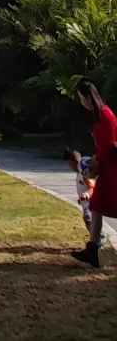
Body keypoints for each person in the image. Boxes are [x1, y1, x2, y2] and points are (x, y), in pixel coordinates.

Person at [72, 80, 117, 268]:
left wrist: (95, 159)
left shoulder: (105, 116)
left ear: (88, 96)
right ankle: (92, 250)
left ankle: (93, 250)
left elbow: (110, 144)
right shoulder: (98, 116)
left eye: (81, 97)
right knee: (96, 205)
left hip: (113, 167)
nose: (81, 101)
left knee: (104, 204)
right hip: (106, 167)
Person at [64, 148, 107, 244]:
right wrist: (80, 198)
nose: (69, 167)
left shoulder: (83, 170)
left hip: (90, 204)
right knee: (87, 220)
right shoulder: (80, 172)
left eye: (70, 164)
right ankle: (96, 238)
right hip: (85, 203)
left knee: (89, 220)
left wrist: (87, 194)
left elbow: (91, 186)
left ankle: (99, 239)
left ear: (75, 161)